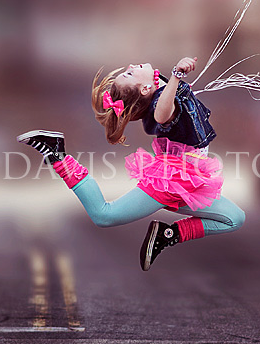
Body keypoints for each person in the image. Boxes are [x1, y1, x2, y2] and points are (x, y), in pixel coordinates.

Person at [17, 58, 245, 271]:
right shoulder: (161, 101)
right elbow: (162, 114)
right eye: (129, 73)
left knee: (235, 218)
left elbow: (153, 92)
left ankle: (168, 234)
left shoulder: (156, 86)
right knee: (103, 216)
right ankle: (57, 154)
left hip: (192, 179)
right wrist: (176, 75)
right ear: (146, 89)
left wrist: (171, 78)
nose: (131, 65)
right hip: (171, 179)